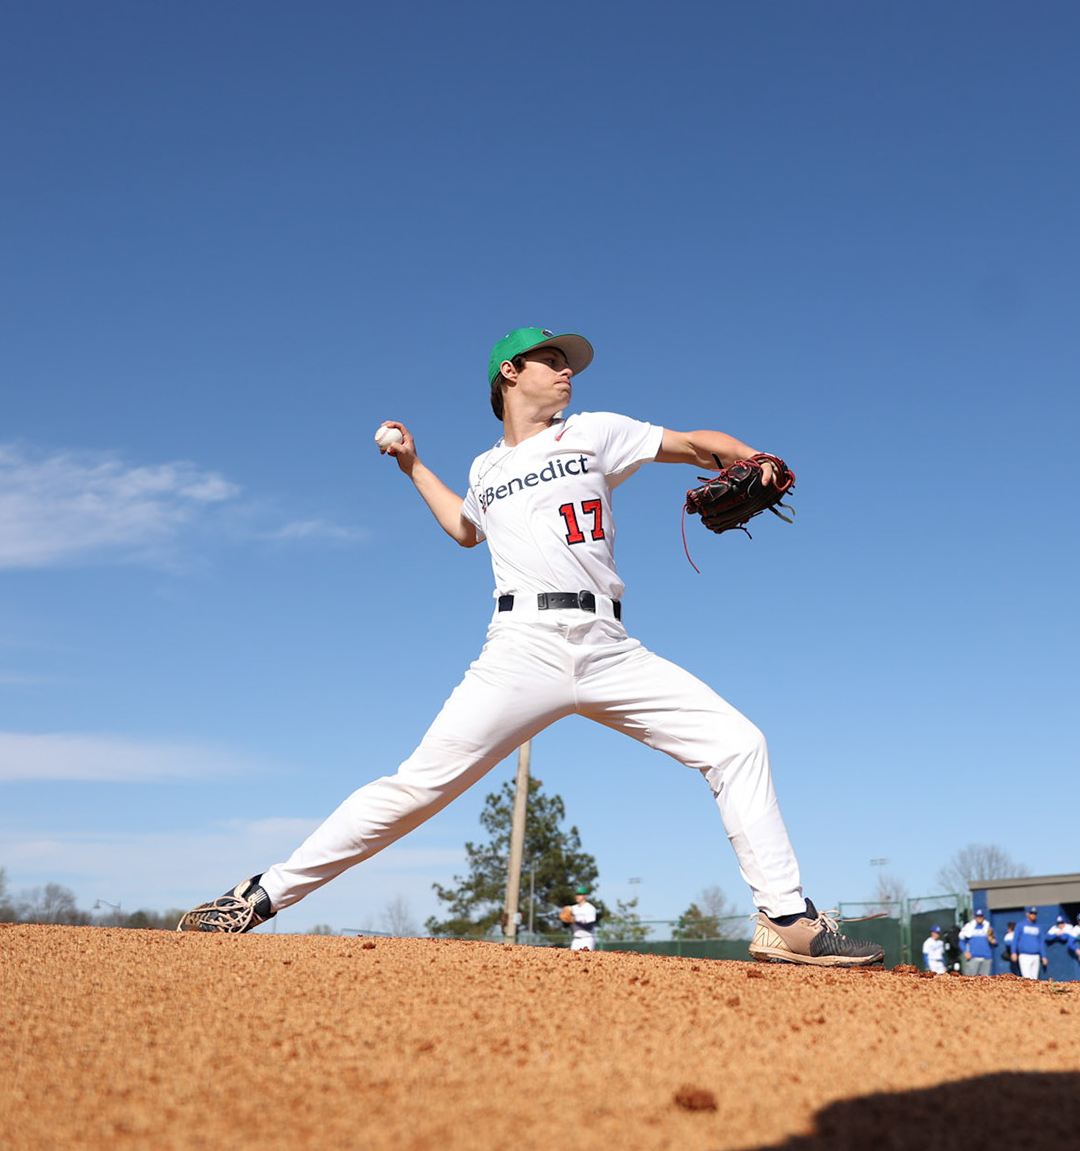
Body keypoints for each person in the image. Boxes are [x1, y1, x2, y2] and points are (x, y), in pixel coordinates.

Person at [176, 328, 885, 970]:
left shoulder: (594, 432)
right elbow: (463, 528)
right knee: (417, 788)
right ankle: (259, 895)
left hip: (610, 647)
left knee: (737, 743)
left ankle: (785, 919)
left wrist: (747, 455)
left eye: (568, 361)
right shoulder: (486, 469)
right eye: (553, 360)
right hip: (520, 647)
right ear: (511, 373)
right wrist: (413, 465)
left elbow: (693, 444)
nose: (568, 370)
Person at [1013, 907, 1046, 980]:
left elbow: (1041, 942)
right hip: (1024, 955)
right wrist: (1013, 952)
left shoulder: (1038, 927)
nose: (1033, 915)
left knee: (1035, 979)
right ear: (1027, 914)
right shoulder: (1020, 925)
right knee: (1026, 978)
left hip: (1036, 955)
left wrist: (1043, 956)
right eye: (1031, 913)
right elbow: (1015, 939)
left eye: (1035, 913)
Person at [960, 909, 995, 976]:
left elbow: (995, 942)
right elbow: (961, 942)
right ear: (975, 917)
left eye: (981, 916)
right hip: (974, 957)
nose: (979, 918)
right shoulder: (969, 927)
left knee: (985, 980)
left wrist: (992, 940)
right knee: (971, 979)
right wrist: (965, 951)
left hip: (986, 957)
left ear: (983, 917)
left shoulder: (987, 927)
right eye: (978, 916)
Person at [565, 884, 599, 951]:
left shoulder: (590, 908)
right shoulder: (573, 908)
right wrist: (565, 920)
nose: (577, 896)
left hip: (587, 939)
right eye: (577, 894)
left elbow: (589, 926)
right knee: (571, 959)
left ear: (585, 896)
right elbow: (566, 925)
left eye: (580, 894)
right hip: (575, 939)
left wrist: (574, 921)